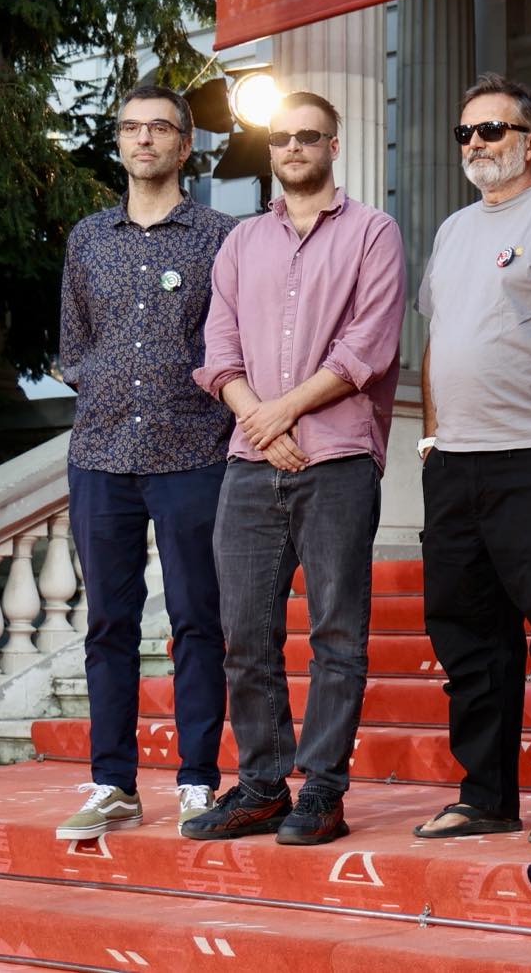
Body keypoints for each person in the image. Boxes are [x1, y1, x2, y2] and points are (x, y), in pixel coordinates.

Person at [182, 91, 406, 845]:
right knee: (245, 633)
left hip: (337, 457)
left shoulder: (373, 232)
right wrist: (260, 417)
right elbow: (218, 350)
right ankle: (262, 787)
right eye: (281, 138)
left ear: (333, 145)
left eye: (308, 136)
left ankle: (324, 793)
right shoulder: (241, 242)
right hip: (251, 463)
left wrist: (279, 413)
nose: (293, 148)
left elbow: (366, 348)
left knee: (337, 634)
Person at [413, 74, 531, 844]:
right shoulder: (453, 230)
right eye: (465, 132)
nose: (476, 144)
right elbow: (438, 340)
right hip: (454, 465)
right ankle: (485, 795)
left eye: (491, 129)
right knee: (468, 639)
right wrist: (431, 438)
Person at [56, 84, 237, 841]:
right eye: (131, 128)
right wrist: (107, 389)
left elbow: (233, 341)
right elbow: (73, 345)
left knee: (198, 620)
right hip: (101, 454)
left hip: (194, 451)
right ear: (120, 141)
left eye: (159, 128)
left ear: (184, 145)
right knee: (109, 624)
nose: (143, 139)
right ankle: (113, 784)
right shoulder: (88, 238)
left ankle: (197, 780)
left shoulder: (223, 237)